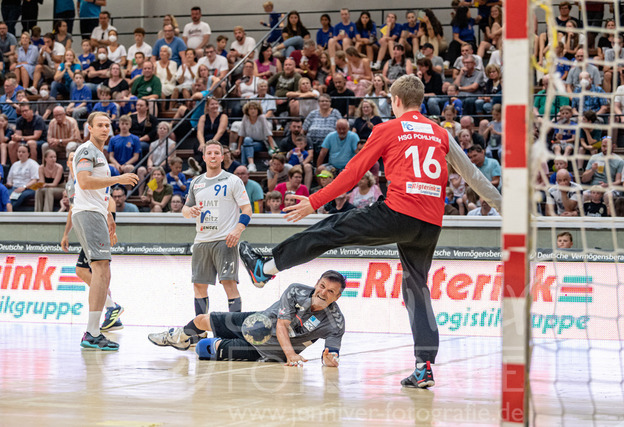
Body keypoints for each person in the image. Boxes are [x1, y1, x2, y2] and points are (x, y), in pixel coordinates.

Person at [237, 75, 502, 388]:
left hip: (398, 212)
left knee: (331, 228)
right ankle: (424, 366)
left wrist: (315, 202)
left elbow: (352, 174)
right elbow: (473, 177)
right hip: (431, 223)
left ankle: (265, 268)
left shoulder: (388, 128)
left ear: (396, 101)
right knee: (417, 290)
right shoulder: (440, 132)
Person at [148, 270, 345, 368]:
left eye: (330, 292)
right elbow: (281, 325)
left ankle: (201, 343)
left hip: (272, 350)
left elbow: (332, 353)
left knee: (204, 349)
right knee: (201, 320)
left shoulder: (335, 322)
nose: (323, 293)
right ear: (316, 284)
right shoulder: (296, 290)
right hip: (258, 323)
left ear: (337, 297)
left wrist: (330, 360)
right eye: (322, 286)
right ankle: (180, 338)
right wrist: (292, 355)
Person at [72, 111, 138, 350]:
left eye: (107, 125)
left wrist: (110, 216)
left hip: (96, 213)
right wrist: (118, 177)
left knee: (101, 271)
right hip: (88, 213)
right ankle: (92, 331)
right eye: (99, 125)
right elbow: (85, 182)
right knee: (100, 270)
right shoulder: (87, 150)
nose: (104, 128)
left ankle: (96, 327)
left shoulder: (99, 154)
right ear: (89, 128)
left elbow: (101, 193)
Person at [180, 140, 253, 344]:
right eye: (209, 153)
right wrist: (190, 211)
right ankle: (200, 331)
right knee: (199, 286)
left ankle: (234, 331)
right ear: (203, 157)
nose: (212, 156)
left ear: (222, 157)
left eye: (216, 153)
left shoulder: (232, 181)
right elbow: (185, 210)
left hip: (225, 240)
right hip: (202, 241)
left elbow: (247, 210)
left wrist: (238, 229)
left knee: (229, 284)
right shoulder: (196, 182)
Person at [61, 151, 127, 335]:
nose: (76, 160)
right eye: (72, 158)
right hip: (86, 224)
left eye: (78, 157)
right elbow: (73, 209)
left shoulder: (88, 177)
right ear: (68, 163)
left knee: (91, 270)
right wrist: (66, 234)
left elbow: (110, 201)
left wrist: (111, 224)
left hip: (96, 224)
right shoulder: (71, 184)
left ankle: (111, 308)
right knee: (92, 271)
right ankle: (111, 312)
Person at [236, 101, 277, 172]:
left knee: (245, 145)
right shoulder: (245, 117)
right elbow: (241, 134)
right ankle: (250, 164)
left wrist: (273, 148)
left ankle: (244, 165)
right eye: (251, 109)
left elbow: (268, 134)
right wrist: (238, 148)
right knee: (246, 141)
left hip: (261, 142)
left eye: (255, 109)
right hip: (248, 142)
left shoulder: (262, 118)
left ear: (258, 110)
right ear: (247, 110)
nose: (253, 111)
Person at [6, 144, 38, 210]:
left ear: (28, 153)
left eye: (23, 152)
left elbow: (34, 180)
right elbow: (9, 179)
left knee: (19, 196)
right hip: (14, 187)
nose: (21, 154)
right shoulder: (15, 164)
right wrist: (10, 184)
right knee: (6, 196)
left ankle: (8, 212)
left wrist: (24, 187)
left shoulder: (33, 164)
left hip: (28, 188)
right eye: (19, 152)